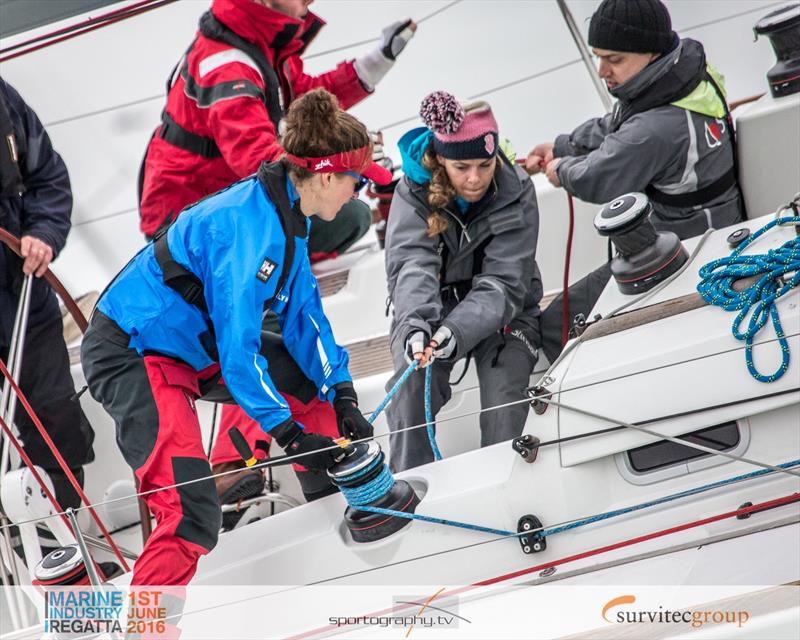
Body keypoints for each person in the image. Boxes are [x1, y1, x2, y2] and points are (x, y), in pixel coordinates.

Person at [81, 89, 388, 586]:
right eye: (357, 182)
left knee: (318, 399)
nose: (361, 193)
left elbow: (306, 319)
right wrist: (289, 435)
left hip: (191, 347)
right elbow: (239, 350)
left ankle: (346, 560)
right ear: (328, 176)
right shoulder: (244, 228)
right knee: (190, 513)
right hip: (135, 354)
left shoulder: (290, 217)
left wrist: (344, 393)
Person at [525, 0, 745, 364]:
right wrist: (563, 144)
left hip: (690, 253)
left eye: (613, 59)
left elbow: (598, 178)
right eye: (598, 57)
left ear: (651, 52)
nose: (601, 70)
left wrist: (560, 169)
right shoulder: (685, 76)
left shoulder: (656, 129)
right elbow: (619, 125)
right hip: (710, 230)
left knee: (556, 322)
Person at [138, 0, 415, 254]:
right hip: (192, 222)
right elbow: (257, 159)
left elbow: (305, 103)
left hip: (226, 201)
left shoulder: (257, 40)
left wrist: (375, 63)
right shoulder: (229, 67)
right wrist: (340, 162)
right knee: (349, 218)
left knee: (340, 209)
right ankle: (267, 291)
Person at [384, 91, 543, 472]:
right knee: (408, 390)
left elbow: (504, 282)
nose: (475, 178)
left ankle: (508, 484)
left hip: (506, 311)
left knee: (506, 394)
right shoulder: (412, 192)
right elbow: (412, 264)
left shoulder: (517, 190)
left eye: (485, 165)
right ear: (442, 160)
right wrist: (415, 328)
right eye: (462, 167)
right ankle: (410, 487)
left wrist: (456, 331)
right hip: (432, 310)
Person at [0, 78, 95, 511]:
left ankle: (71, 546)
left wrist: (42, 234)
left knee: (57, 423)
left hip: (25, 302)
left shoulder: (4, 99)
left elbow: (48, 177)